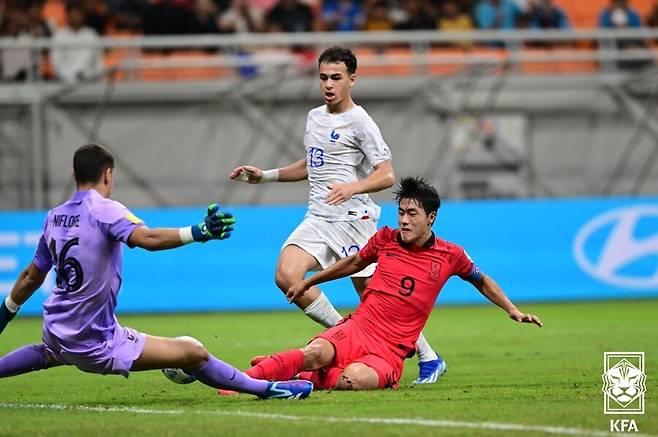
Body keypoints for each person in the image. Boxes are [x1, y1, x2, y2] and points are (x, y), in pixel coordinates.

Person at [0, 144, 312, 400]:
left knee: (48, 354)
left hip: (57, 328)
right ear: (108, 175)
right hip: (95, 339)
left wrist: (6, 312)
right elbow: (147, 239)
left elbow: (31, 275)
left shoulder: (53, 218)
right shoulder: (105, 210)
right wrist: (198, 232)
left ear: (74, 174)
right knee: (193, 353)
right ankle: (269, 390)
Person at [229, 46, 445, 384]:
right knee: (287, 276)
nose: (328, 84)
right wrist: (266, 175)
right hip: (318, 217)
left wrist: (353, 188)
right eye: (323, 78)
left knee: (376, 299)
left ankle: (430, 358)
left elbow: (387, 174)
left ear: (352, 80)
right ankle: (344, 332)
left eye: (336, 78)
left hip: (353, 221)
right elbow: (313, 165)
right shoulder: (314, 117)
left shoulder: (361, 122)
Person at [244, 177, 543, 390]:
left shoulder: (451, 255)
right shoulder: (385, 238)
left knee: (354, 379)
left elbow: (482, 281)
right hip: (358, 328)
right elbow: (353, 263)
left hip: (390, 351)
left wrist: (512, 310)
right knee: (315, 354)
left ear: (431, 218)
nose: (404, 220)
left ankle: (295, 376)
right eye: (400, 212)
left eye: (412, 214)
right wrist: (311, 281)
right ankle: (244, 380)